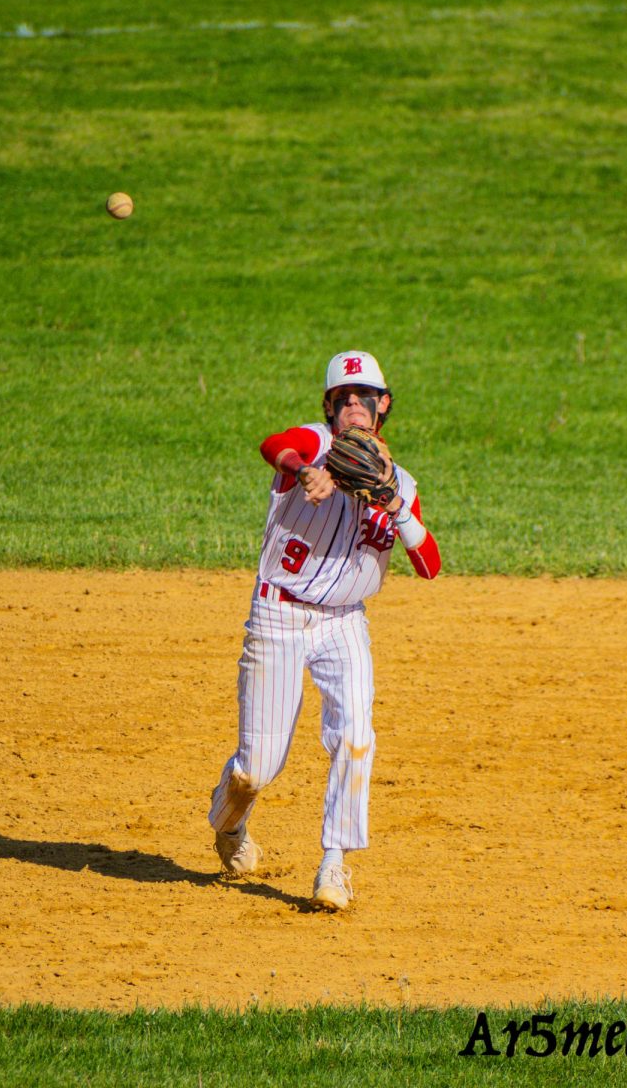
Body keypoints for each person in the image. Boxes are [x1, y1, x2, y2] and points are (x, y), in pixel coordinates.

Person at [208, 350, 441, 910]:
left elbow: (430, 564)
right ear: (329, 407)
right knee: (257, 768)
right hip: (279, 613)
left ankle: (334, 865)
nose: (354, 406)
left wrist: (394, 504)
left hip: (344, 624)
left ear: (384, 406)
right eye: (343, 398)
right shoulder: (313, 443)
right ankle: (228, 820)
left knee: (356, 736)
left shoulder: (402, 485)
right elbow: (274, 444)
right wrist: (302, 470)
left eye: (365, 397)